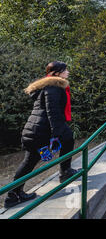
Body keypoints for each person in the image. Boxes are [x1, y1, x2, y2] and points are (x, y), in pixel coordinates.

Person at [4, 62, 79, 208]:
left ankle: (14, 194)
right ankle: (13, 195)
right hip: (40, 131)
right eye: (65, 70)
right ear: (57, 73)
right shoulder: (54, 88)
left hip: (34, 129)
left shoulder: (47, 87)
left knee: (67, 139)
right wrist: (56, 135)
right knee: (31, 160)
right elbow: (53, 112)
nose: (68, 72)